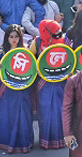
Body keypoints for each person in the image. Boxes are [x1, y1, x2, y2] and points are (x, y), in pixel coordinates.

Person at [0, 25, 34, 154]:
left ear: (20, 37)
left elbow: (32, 67)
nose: (14, 39)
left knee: (23, 113)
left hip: (22, 87)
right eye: (11, 37)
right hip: (7, 88)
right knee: (8, 114)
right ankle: (6, 143)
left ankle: (24, 143)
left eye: (16, 36)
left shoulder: (26, 50)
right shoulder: (1, 50)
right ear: (7, 38)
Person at [28, 20, 68, 150]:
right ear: (46, 31)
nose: (58, 33)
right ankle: (45, 140)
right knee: (45, 111)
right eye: (55, 31)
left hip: (61, 83)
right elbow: (29, 59)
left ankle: (61, 139)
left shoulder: (65, 41)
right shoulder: (37, 42)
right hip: (43, 83)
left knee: (60, 111)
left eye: (59, 30)